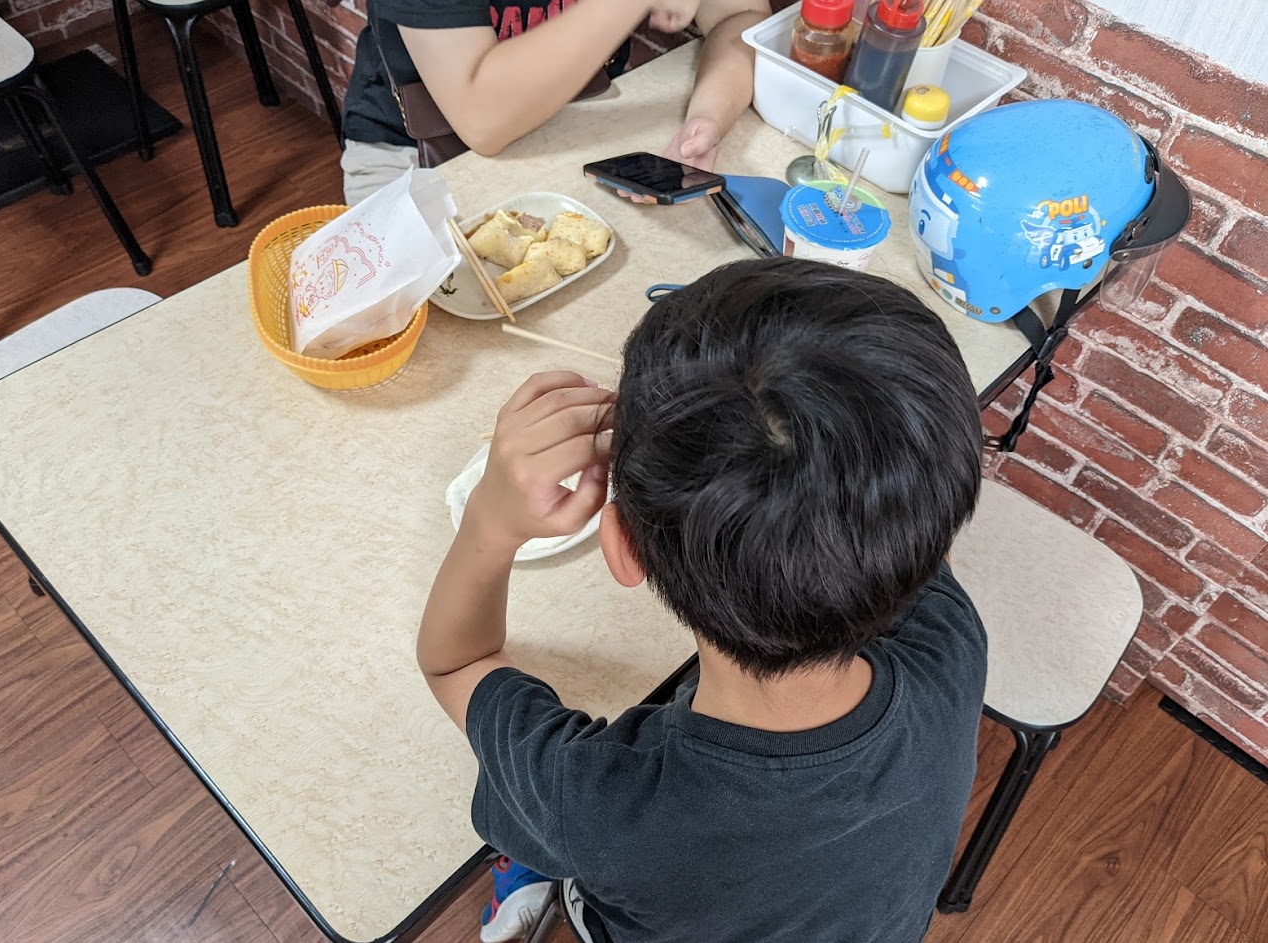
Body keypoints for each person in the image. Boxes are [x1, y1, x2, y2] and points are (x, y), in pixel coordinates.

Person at [416, 257, 989, 942]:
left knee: (553, 843)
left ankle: (542, 876)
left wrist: (490, 520)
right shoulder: (952, 648)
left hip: (622, 884)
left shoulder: (595, 805)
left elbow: (454, 662)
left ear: (622, 548)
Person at [341, 0, 769, 205]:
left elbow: (741, 16)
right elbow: (482, 120)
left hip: (578, 120)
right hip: (416, 151)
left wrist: (709, 116)